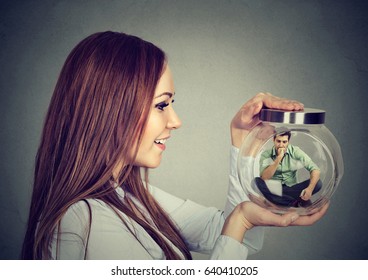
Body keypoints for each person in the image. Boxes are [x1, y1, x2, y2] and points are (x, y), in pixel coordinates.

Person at [21, 31, 328, 260]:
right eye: (161, 105)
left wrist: (244, 141)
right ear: (110, 109)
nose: (175, 121)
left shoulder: (132, 199)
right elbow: (235, 226)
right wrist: (241, 220)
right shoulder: (81, 220)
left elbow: (231, 236)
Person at [256, 130, 322, 207]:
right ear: (273, 140)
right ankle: (293, 202)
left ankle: (279, 200)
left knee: (317, 183)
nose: (281, 145)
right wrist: (278, 159)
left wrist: (310, 189)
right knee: (256, 182)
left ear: (288, 142)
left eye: (284, 142)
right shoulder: (266, 154)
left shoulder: (295, 151)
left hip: (292, 188)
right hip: (273, 189)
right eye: (278, 141)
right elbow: (264, 177)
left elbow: (315, 169)